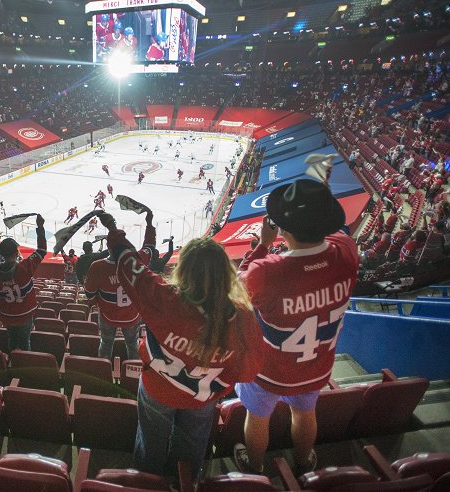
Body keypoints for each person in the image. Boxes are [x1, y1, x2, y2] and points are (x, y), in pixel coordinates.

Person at [97, 211, 265, 480]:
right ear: (226, 274)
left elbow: (131, 266)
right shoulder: (242, 316)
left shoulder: (166, 300)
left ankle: (147, 481)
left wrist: (115, 233)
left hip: (157, 389)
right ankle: (183, 483)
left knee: (150, 442)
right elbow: (247, 371)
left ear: (183, 270)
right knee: (192, 447)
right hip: (202, 397)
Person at [235, 178, 359, 476]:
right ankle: (304, 462)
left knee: (258, 417)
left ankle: (254, 468)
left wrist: (264, 244)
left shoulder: (266, 271)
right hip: (316, 364)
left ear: (282, 229)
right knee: (305, 412)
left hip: (268, 370)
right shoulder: (347, 250)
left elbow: (236, 292)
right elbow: (338, 236)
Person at [85, 211, 156, 361]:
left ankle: (103, 373)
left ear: (108, 248)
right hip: (132, 317)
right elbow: (149, 246)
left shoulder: (97, 267)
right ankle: (132, 375)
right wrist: (149, 224)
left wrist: (101, 302)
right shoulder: (138, 260)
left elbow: (90, 295)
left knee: (105, 343)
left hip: (107, 316)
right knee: (132, 345)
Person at [0, 215, 46, 351]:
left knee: (12, 339)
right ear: (16, 252)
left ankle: (13, 361)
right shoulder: (24, 267)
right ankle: (24, 363)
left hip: (7, 316)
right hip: (25, 315)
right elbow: (42, 251)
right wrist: (40, 227)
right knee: (25, 341)